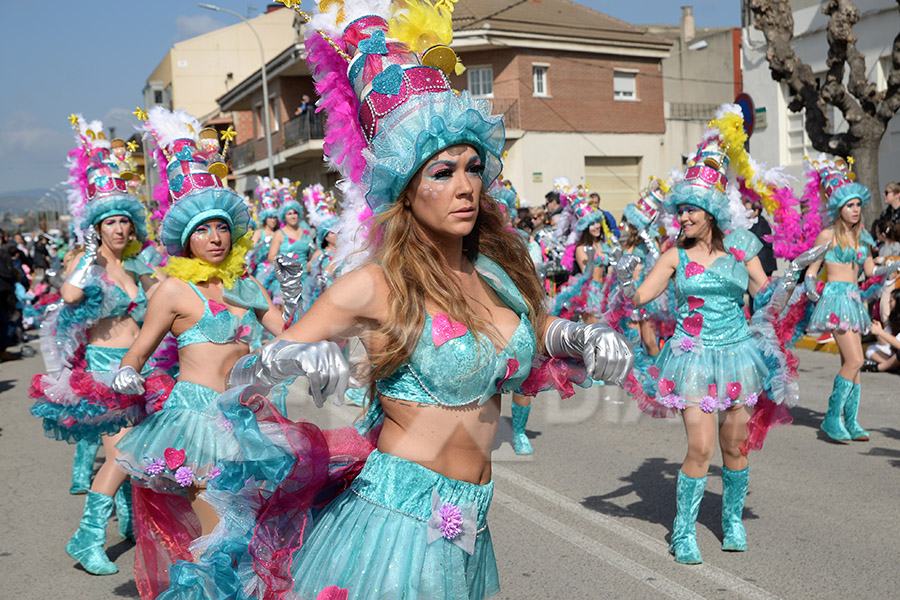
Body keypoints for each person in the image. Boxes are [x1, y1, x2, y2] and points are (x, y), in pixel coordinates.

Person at [158, 4, 633, 598]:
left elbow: (522, 334)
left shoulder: (493, 272)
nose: (464, 186)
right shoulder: (373, 284)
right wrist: (290, 358)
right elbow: (247, 377)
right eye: (441, 172)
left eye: (471, 167)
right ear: (404, 190)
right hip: (395, 530)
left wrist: (574, 335)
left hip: (470, 521)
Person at [613, 107, 816, 565]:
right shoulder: (672, 256)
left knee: (734, 447)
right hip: (692, 358)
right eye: (679, 209)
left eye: (690, 210)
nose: (682, 217)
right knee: (700, 447)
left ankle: (732, 520)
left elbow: (766, 297)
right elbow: (642, 297)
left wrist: (793, 283)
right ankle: (682, 532)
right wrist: (627, 282)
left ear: (711, 213)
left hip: (738, 356)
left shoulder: (741, 247)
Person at [29, 115, 162, 575]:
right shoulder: (90, 266)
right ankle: (86, 539)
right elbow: (68, 296)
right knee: (125, 453)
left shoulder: (135, 267)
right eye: (111, 222)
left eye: (126, 220)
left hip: (135, 367)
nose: (121, 229)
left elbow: (164, 296)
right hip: (104, 370)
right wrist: (87, 255)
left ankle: (129, 522)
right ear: (97, 227)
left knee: (129, 452)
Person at [805, 159, 900, 442]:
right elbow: (811, 270)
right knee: (857, 359)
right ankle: (832, 419)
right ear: (838, 208)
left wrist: (892, 266)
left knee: (853, 362)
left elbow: (870, 271)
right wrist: (813, 291)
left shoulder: (862, 237)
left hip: (854, 301)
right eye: (850, 205)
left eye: (858, 205)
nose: (856, 210)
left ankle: (852, 421)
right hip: (835, 300)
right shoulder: (827, 234)